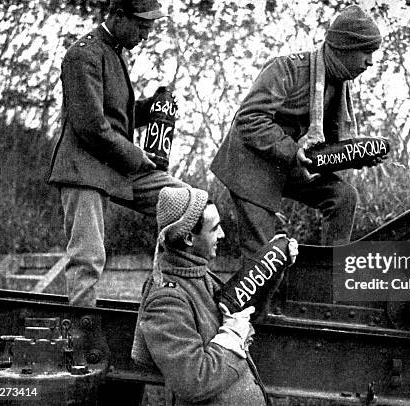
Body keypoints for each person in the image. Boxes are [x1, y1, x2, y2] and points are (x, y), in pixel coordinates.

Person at [210, 5, 383, 267]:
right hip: (250, 166)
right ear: (344, 47)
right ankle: (255, 309)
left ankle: (329, 279)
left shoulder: (337, 84)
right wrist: (293, 152)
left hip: (290, 165)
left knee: (343, 197)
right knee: (264, 257)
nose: (370, 62)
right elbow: (249, 120)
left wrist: (355, 155)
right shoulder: (287, 69)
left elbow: (324, 148)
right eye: (366, 52)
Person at [48, 0, 188, 306]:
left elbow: (116, 119)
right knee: (87, 258)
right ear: (119, 16)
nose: (145, 35)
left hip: (113, 164)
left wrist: (150, 108)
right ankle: (83, 336)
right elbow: (91, 126)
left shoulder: (114, 53)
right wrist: (137, 157)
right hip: (84, 169)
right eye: (141, 26)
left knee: (188, 203)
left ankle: (174, 301)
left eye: (149, 29)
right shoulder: (83, 54)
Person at [131, 186, 297, 405]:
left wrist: (274, 265)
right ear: (189, 238)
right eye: (214, 228)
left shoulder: (201, 278)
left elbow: (244, 315)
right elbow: (192, 381)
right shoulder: (166, 299)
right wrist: (232, 336)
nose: (222, 234)